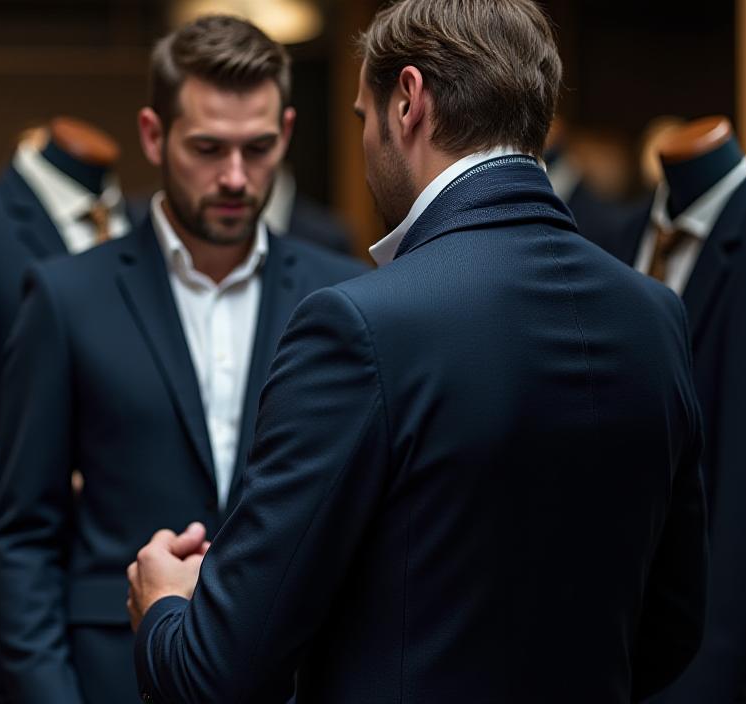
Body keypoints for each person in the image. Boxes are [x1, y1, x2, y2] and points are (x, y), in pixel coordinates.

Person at [126, 1, 708, 701]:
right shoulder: (655, 315)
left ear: (407, 102)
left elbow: (219, 675)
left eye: (360, 117)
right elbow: (674, 625)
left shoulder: (359, 325)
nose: (367, 144)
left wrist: (162, 606)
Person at [0, 16, 367, 703]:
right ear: (154, 135)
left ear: (285, 132)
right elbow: (23, 536)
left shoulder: (343, 296)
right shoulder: (66, 297)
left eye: (257, 149)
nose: (234, 177)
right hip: (113, 676)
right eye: (207, 148)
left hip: (292, 678)